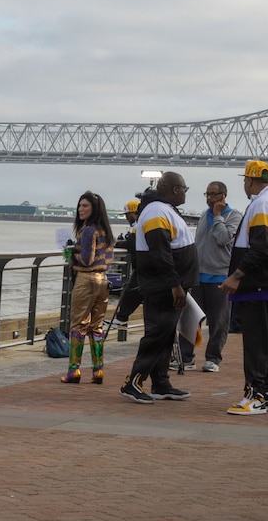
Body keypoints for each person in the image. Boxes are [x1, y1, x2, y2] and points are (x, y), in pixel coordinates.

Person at [119, 172, 198, 404]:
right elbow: (160, 252)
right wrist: (175, 285)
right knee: (157, 334)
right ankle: (132, 382)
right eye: (184, 188)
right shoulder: (155, 211)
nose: (185, 192)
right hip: (163, 287)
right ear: (175, 189)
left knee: (165, 335)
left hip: (170, 285)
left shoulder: (163, 209)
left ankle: (161, 382)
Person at [220, 161, 268, 415]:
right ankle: (266, 392)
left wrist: (237, 275)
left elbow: (262, 246)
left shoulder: (262, 204)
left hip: (258, 285)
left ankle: (255, 395)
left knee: (256, 342)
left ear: (249, 180)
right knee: (264, 342)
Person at [175, 182, 242, 372]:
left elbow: (223, 238)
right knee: (190, 318)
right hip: (198, 276)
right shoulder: (205, 215)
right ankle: (186, 357)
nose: (209, 198)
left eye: (214, 194)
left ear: (224, 195)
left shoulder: (234, 216)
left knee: (218, 321)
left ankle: (213, 358)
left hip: (219, 276)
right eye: (207, 194)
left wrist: (219, 216)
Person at [61, 191, 115, 384]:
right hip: (102, 280)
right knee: (97, 327)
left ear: (94, 209)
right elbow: (108, 258)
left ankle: (73, 370)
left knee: (78, 325)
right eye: (80, 206)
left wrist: (71, 253)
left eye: (85, 206)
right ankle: (98, 370)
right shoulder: (105, 230)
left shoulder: (89, 230)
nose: (80, 209)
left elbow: (86, 259)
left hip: (86, 279)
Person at [108, 197, 144, 329]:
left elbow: (131, 244)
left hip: (142, 265)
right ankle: (122, 318)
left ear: (133, 213)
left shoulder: (137, 226)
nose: (126, 218)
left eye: (127, 215)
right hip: (142, 265)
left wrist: (116, 243)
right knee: (133, 292)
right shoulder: (139, 225)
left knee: (130, 292)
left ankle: (122, 318)